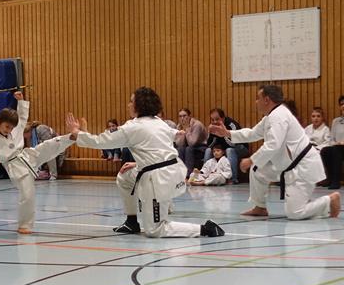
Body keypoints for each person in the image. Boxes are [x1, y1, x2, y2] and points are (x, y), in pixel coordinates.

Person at [67, 87, 224, 238]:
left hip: (159, 178)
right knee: (125, 176)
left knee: (155, 230)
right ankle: (131, 222)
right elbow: (161, 144)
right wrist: (138, 164)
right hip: (168, 171)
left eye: (131, 101)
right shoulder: (157, 121)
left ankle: (205, 229)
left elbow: (101, 141)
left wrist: (77, 133)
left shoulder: (133, 127)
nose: (128, 104)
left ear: (139, 105)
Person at [210, 84, 340, 220]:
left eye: (258, 98)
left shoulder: (279, 116)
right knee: (257, 170)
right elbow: (253, 133)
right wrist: (227, 133)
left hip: (302, 168)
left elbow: (273, 145)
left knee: (295, 213)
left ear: (266, 100)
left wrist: (251, 159)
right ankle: (260, 206)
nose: (256, 102)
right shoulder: (271, 116)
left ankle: (328, 202)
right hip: (288, 167)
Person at [0, 91, 74, 234]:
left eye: (11, 128)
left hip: (26, 156)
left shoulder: (13, 131)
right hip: (15, 167)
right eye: (6, 127)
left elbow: (22, 118)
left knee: (48, 145)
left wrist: (21, 101)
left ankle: (73, 137)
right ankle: (24, 225)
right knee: (28, 195)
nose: (9, 130)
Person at [203, 108, 246, 184]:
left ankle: (232, 179)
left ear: (223, 118)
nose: (215, 122)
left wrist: (224, 134)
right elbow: (209, 146)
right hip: (223, 149)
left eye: (217, 119)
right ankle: (205, 176)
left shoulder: (231, 125)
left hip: (240, 147)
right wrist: (210, 133)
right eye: (212, 120)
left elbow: (235, 144)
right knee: (208, 151)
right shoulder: (213, 127)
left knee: (229, 150)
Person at [174, 108, 208, 176]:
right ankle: (180, 174)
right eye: (180, 116)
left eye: (184, 116)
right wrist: (183, 132)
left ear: (189, 116)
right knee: (180, 149)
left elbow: (192, 143)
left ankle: (188, 175)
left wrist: (187, 129)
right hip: (188, 146)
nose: (182, 118)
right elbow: (179, 144)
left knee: (188, 149)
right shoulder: (179, 126)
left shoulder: (197, 125)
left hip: (201, 147)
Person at [323, 95, 344, 189]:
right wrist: (336, 143)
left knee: (337, 150)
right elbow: (331, 139)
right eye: (341, 104)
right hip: (338, 147)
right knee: (325, 151)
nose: (343, 106)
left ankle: (336, 181)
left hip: (341, 147)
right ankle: (331, 178)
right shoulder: (336, 121)